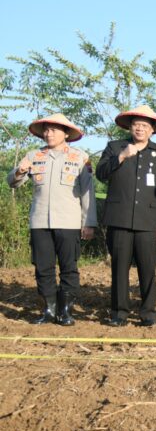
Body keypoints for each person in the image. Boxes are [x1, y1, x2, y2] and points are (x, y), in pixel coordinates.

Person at [7, 113, 96, 325]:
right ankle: (49, 309)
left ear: (66, 134)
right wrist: (19, 171)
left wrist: (89, 222)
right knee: (43, 267)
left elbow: (88, 192)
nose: (49, 134)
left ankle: (65, 310)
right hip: (40, 221)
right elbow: (12, 182)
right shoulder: (33, 155)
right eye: (46, 130)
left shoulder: (80, 157)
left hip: (69, 221)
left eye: (54, 130)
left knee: (68, 267)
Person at [95, 105, 156, 326]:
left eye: (145, 126)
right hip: (119, 218)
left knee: (148, 269)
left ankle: (148, 313)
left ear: (152, 130)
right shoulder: (115, 147)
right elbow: (101, 174)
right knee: (119, 268)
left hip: (149, 221)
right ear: (130, 127)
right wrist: (121, 157)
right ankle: (119, 313)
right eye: (136, 125)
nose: (140, 129)